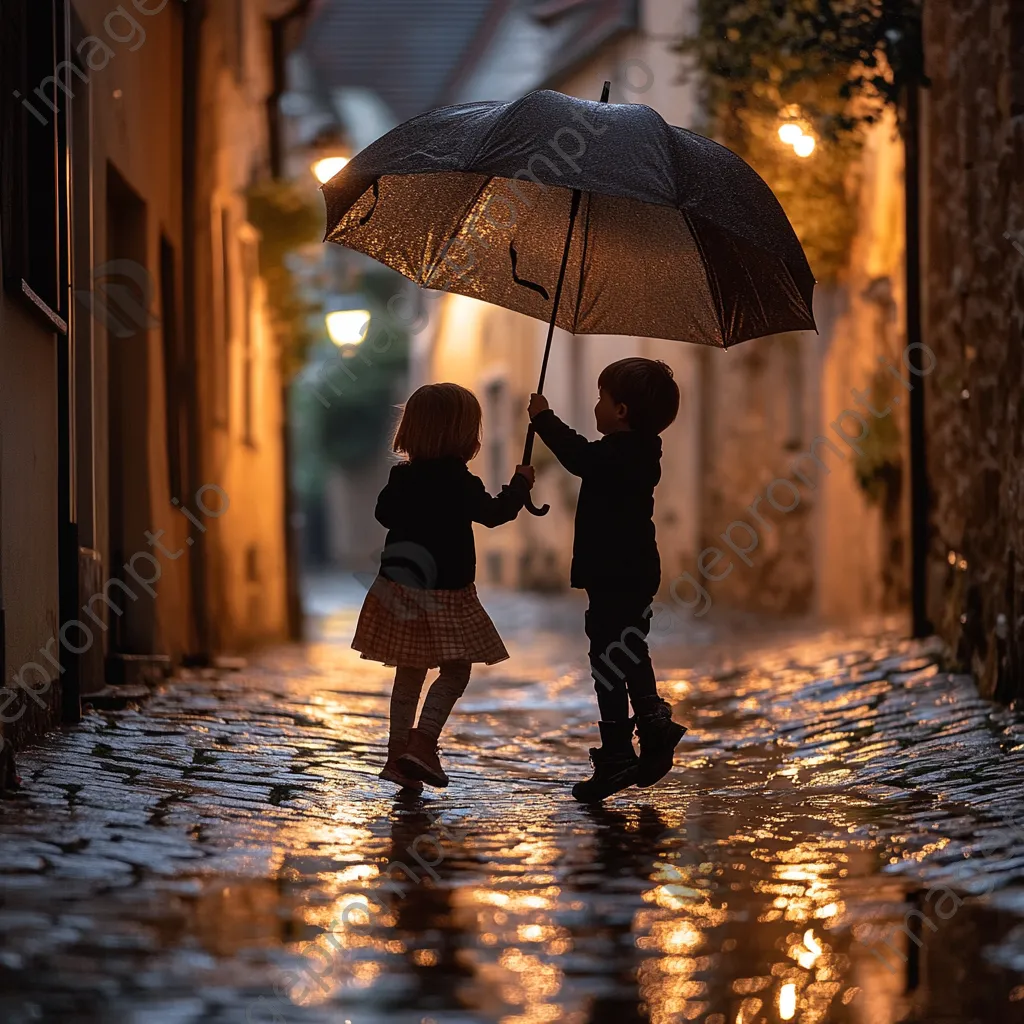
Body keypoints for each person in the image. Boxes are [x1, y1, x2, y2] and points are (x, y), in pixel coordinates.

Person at [353, 382, 535, 791]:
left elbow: (384, 513)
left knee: (409, 670)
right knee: (455, 670)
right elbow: (494, 514)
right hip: (448, 591)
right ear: (464, 437)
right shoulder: (459, 481)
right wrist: (520, 484)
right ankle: (423, 742)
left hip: (399, 587)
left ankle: (396, 756)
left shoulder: (401, 477)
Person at [528, 357, 686, 802]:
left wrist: (543, 417)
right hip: (631, 570)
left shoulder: (622, 453)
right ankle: (653, 733)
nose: (596, 405)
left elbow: (579, 456)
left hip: (616, 571)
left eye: (602, 398)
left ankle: (619, 754)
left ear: (620, 411)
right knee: (630, 650)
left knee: (607, 659)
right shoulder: (639, 453)